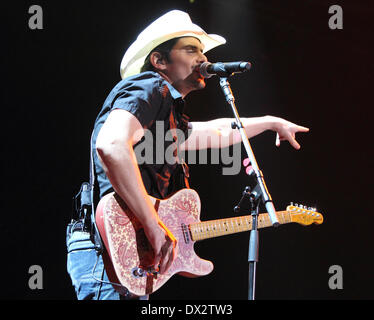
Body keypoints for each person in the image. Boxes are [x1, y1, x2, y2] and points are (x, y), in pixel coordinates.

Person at [66, 10, 309, 300]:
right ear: (159, 61)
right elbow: (111, 145)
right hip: (106, 247)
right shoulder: (149, 86)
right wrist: (153, 224)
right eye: (191, 49)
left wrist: (270, 121)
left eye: (202, 51)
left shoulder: (164, 110)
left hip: (128, 247)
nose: (203, 59)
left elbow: (217, 133)